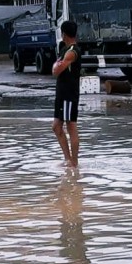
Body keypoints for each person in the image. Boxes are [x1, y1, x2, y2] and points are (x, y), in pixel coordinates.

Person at [52, 20, 81, 167]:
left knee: (71, 126)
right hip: (61, 93)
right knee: (56, 127)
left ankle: (74, 162)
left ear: (64, 34)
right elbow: (56, 68)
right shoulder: (64, 49)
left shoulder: (72, 52)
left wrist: (56, 66)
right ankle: (68, 159)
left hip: (69, 94)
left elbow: (56, 70)